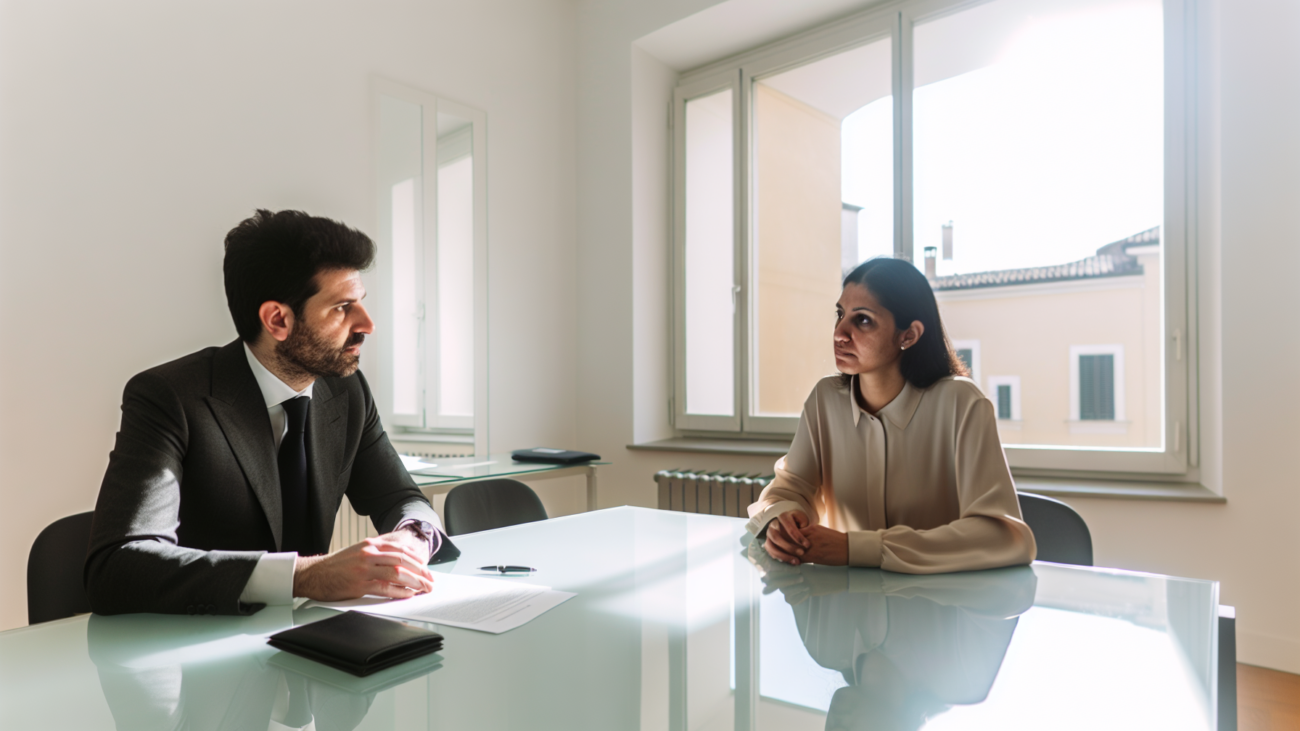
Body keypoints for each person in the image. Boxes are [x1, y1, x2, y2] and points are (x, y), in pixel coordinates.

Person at [85, 209, 456, 616]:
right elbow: (117, 566)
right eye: (341, 307)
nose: (367, 324)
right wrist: (303, 576)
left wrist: (412, 537)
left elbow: (400, 497)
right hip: (196, 640)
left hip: (313, 636)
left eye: (361, 303)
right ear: (278, 320)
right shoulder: (169, 398)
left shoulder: (347, 390)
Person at [747, 257, 1036, 572]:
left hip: (939, 598)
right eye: (840, 315)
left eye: (863, 320)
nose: (839, 333)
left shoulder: (962, 403)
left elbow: (1005, 537)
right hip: (845, 597)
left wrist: (855, 548)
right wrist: (781, 520)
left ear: (908, 335)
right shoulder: (824, 400)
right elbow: (788, 489)